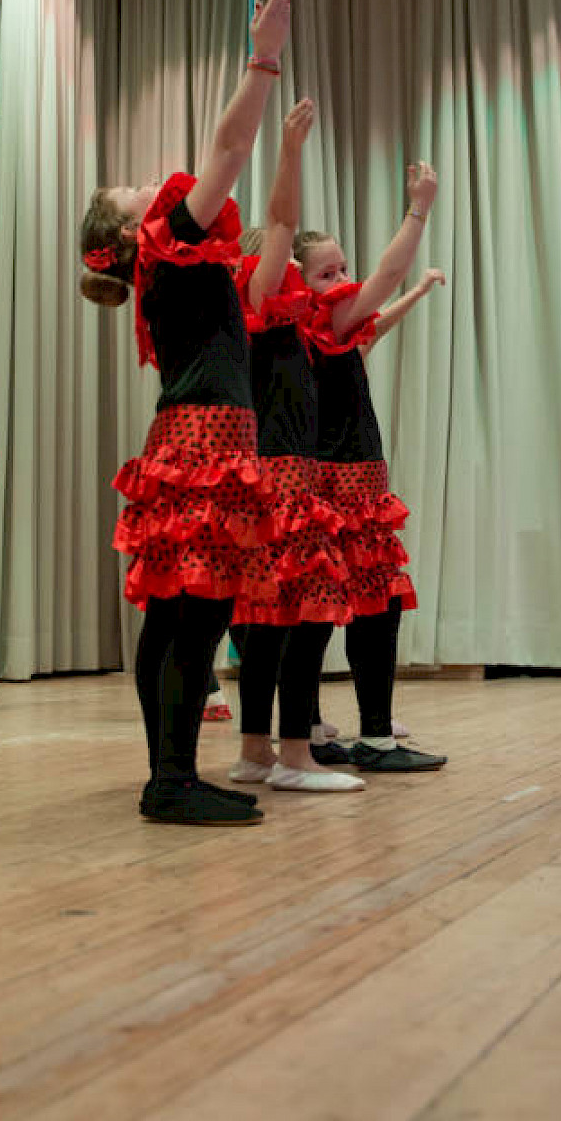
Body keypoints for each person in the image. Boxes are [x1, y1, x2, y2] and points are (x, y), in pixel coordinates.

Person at [79, 0, 291, 828]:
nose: (150, 184)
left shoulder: (179, 264)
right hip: (204, 435)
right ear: (127, 233)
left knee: (177, 615)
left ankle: (168, 773)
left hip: (189, 431)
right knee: (195, 613)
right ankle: (170, 778)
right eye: (133, 189)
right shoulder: (169, 248)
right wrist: (262, 60)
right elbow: (229, 149)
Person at [294, 164, 449, 774]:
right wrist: (419, 208)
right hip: (343, 482)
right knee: (365, 605)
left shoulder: (328, 330)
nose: (341, 281)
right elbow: (384, 280)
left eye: (342, 270)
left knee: (334, 608)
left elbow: (377, 320)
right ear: (299, 283)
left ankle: (313, 729)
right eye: (326, 274)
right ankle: (374, 739)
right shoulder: (317, 321)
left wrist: (418, 292)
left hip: (344, 478)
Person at [228, 109, 362, 795]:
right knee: (300, 617)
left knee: (273, 622)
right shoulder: (258, 302)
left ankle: (258, 752)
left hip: (280, 472)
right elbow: (283, 222)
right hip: (281, 477)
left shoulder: (292, 327)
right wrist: (289, 149)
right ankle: (294, 755)